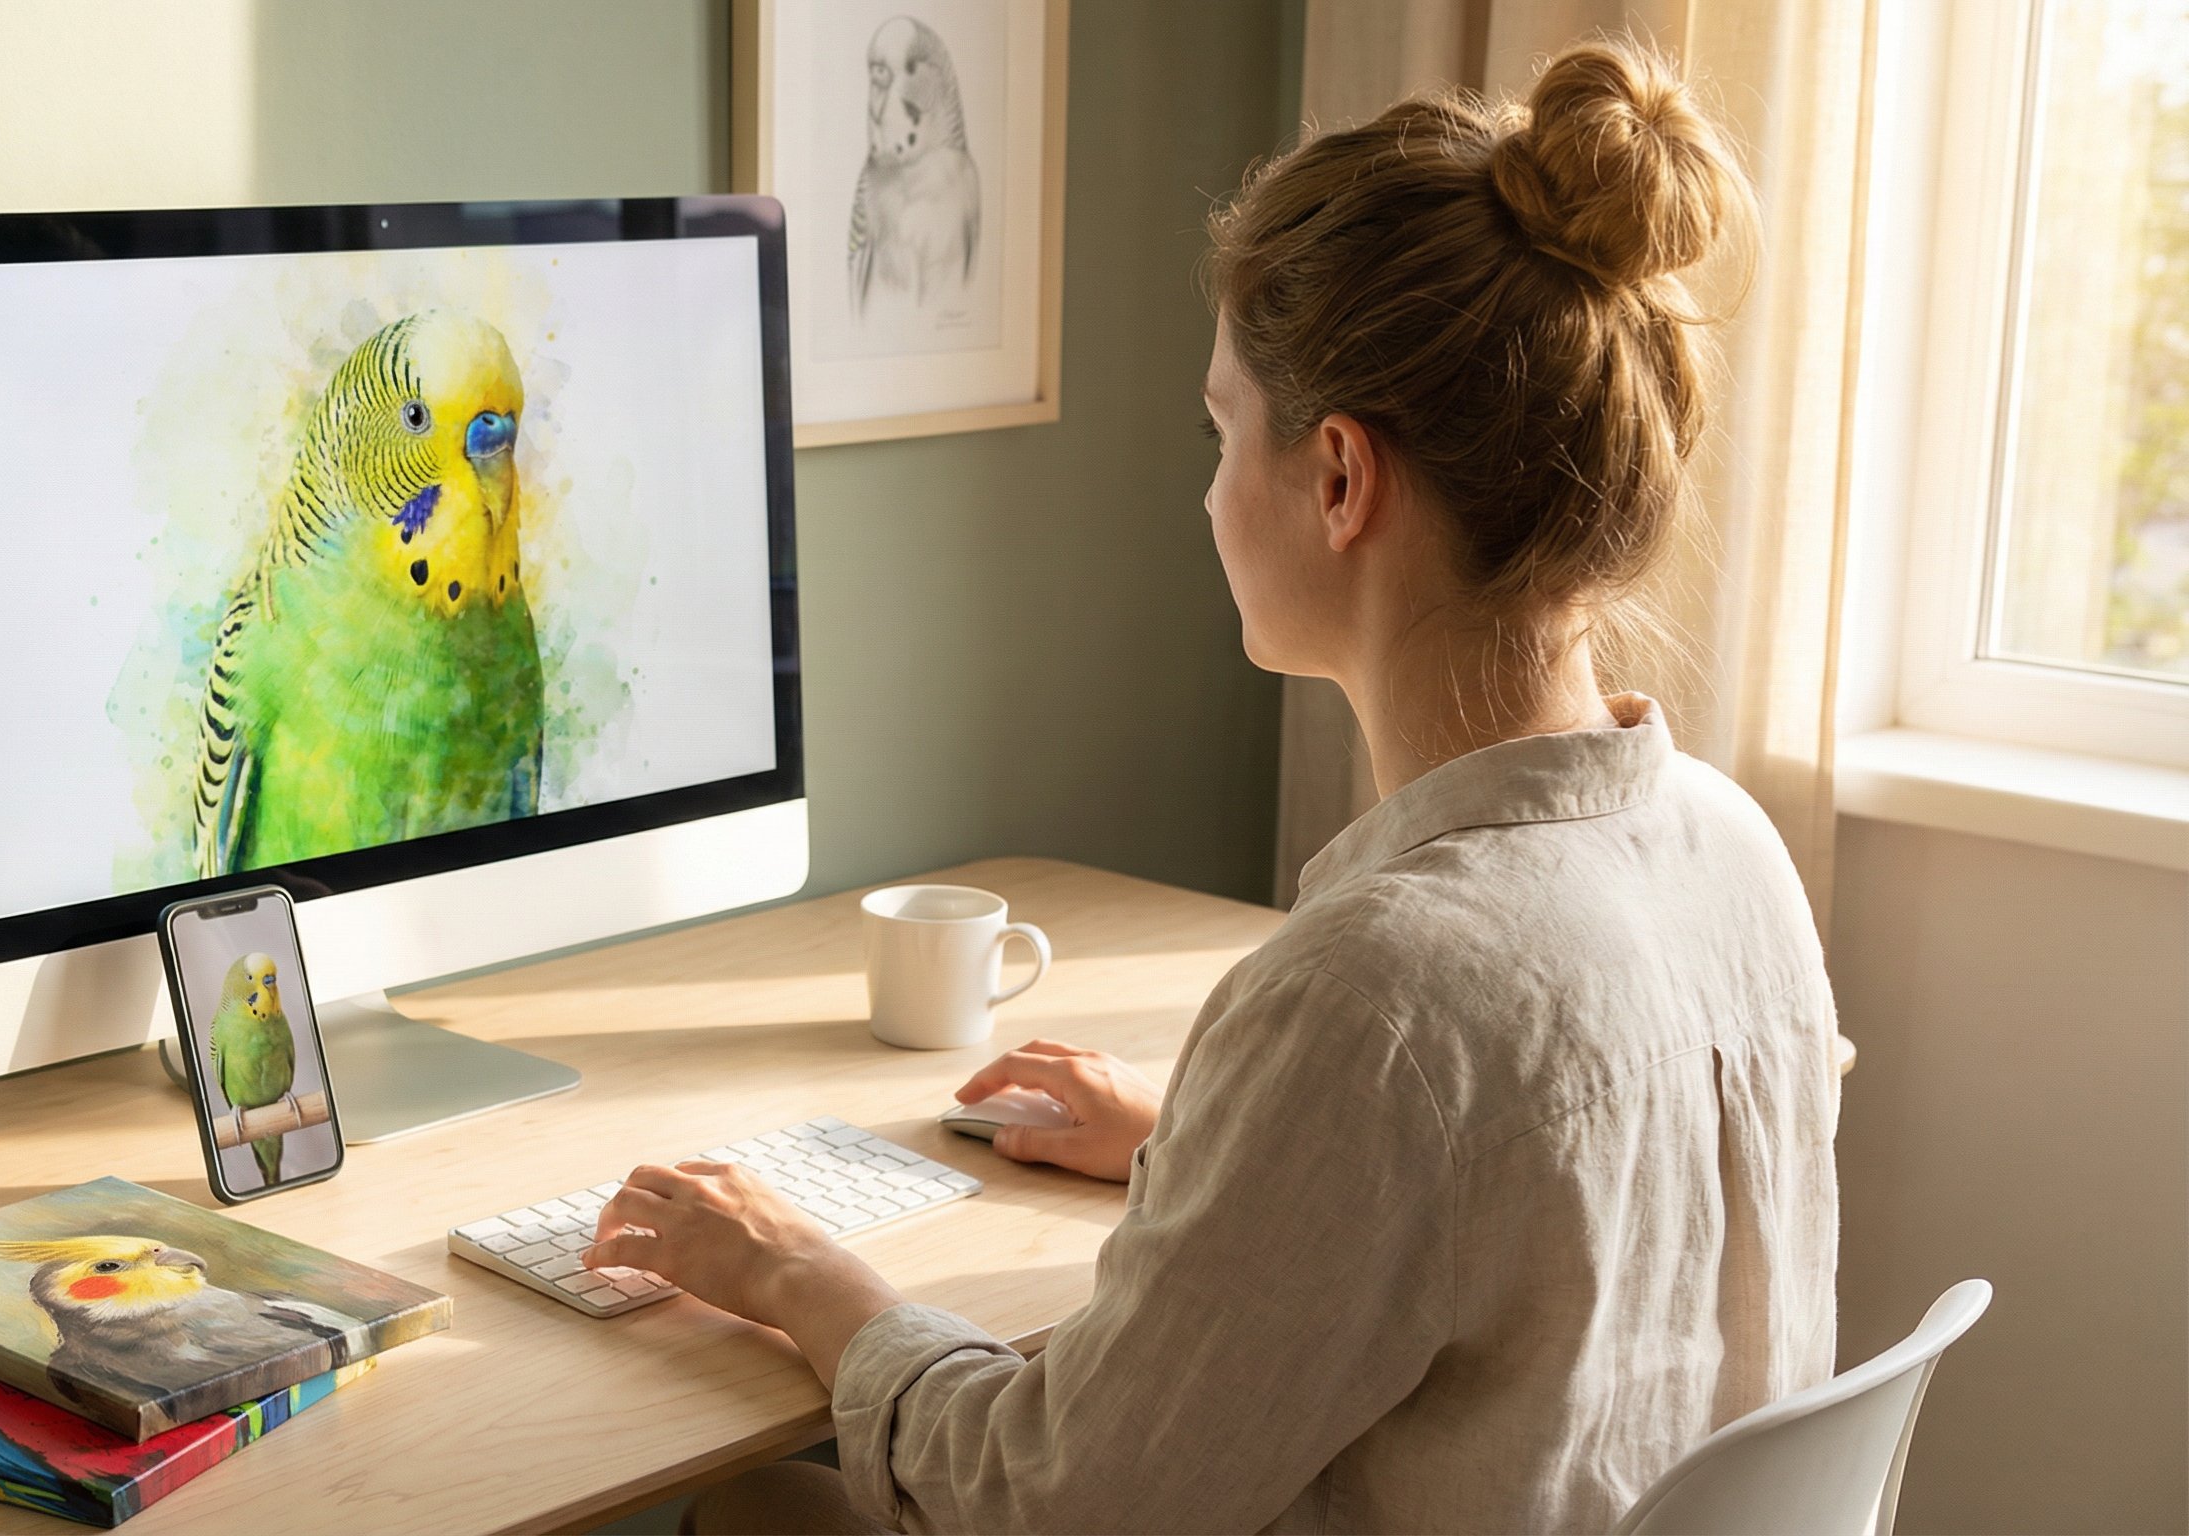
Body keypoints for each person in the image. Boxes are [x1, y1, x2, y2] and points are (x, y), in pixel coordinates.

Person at [583, 36, 1839, 1535]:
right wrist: (1213, 1143)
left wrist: (794, 1270)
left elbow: (1048, 1501)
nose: (1204, 488)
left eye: (1220, 428)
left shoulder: (1379, 1000)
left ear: (1339, 480)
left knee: (770, 1513)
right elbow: (1518, 1204)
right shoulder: (1730, 852)